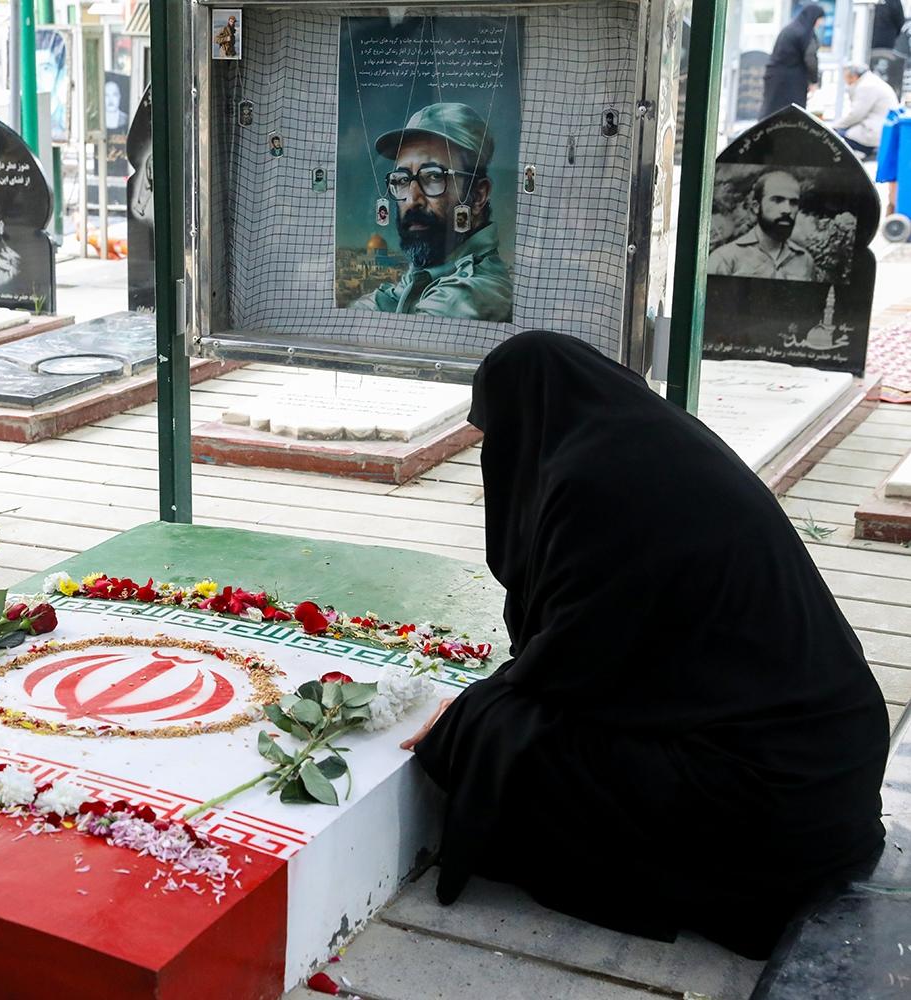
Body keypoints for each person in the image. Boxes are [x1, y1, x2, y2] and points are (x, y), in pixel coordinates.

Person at [405, 331, 888, 959]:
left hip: (778, 800)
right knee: (503, 713)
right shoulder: (656, 444)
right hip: (832, 762)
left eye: (495, 433)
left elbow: (573, 664)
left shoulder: (595, 483)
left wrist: (472, 711)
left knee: (497, 734)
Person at [353, 102, 513, 321]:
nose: (412, 199)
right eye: (402, 180)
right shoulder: (431, 269)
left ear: (478, 195)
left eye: (434, 176)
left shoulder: (474, 294)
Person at [707, 170, 818, 281]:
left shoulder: (805, 260)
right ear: (756, 207)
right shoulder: (725, 259)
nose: (787, 210)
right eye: (777, 200)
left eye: (793, 202)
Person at [762, 5, 825, 117]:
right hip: (791, 81)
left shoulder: (790, 29)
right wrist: (814, 81)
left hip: (775, 78)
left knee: (773, 112)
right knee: (792, 114)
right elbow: (810, 58)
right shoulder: (805, 33)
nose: (820, 23)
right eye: (820, 19)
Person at [833, 62, 899, 158]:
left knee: (834, 137)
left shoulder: (866, 86)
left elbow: (855, 115)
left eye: (846, 77)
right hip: (882, 130)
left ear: (853, 76)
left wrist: (833, 127)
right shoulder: (871, 81)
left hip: (873, 134)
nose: (846, 82)